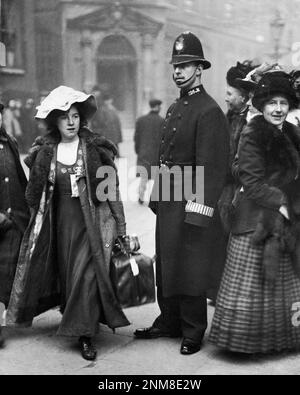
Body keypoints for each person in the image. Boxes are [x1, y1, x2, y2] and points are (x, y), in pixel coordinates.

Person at [6, 86, 130, 360]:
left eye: (75, 116)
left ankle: (84, 334)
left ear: (81, 118)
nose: (71, 122)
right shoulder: (45, 152)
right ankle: (79, 314)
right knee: (69, 275)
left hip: (90, 223)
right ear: (55, 122)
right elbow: (32, 195)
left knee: (86, 274)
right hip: (59, 225)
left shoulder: (95, 148)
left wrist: (120, 226)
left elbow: (111, 190)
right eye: (65, 117)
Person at [134, 31, 229, 355]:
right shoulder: (176, 107)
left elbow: (212, 167)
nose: (178, 71)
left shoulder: (209, 110)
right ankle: (169, 320)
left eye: (185, 65)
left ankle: (192, 329)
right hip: (171, 199)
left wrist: (197, 212)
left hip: (191, 203)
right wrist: (159, 198)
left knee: (190, 266)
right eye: (176, 65)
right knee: (168, 262)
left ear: (199, 68)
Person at [209, 71, 300, 354]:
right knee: (252, 285)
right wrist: (283, 203)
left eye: (283, 103)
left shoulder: (293, 133)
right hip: (254, 221)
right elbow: (251, 181)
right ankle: (245, 344)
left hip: (284, 220)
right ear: (261, 105)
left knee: (281, 285)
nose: (277, 109)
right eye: (272, 103)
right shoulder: (252, 133)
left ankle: (277, 341)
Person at [0, 102, 30, 347]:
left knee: (7, 274)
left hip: (13, 221)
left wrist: (28, 210)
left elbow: (19, 179)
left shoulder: (10, 142)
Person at [134, 99, 164, 204]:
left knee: (144, 176)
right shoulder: (162, 121)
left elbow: (136, 137)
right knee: (157, 177)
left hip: (144, 152)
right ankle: (155, 198)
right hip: (156, 153)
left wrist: (138, 150)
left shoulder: (141, 120)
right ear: (157, 107)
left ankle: (141, 196)